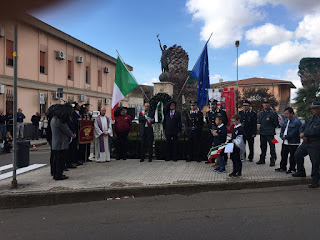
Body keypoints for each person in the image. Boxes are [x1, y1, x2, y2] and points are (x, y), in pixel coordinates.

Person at [292, 102, 320, 188]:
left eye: (315, 109)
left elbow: (317, 131)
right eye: (312, 109)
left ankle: (315, 180)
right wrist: (302, 132)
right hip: (306, 142)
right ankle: (301, 171)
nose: (313, 110)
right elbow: (302, 127)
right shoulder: (310, 118)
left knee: (315, 162)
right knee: (297, 155)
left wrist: (304, 134)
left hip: (315, 143)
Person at [50, 103, 75, 180]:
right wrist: (72, 135)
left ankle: (55, 173)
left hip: (56, 142)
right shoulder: (60, 121)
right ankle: (59, 174)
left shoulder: (53, 119)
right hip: (61, 143)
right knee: (60, 160)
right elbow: (66, 130)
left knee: (56, 159)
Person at [275, 107, 302, 174]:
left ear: (292, 113)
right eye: (285, 114)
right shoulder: (286, 120)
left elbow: (295, 132)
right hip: (285, 142)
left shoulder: (297, 121)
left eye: (287, 114)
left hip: (293, 142)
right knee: (283, 155)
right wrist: (281, 137)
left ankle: (292, 169)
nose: (286, 115)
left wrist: (285, 137)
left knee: (292, 157)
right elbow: (282, 129)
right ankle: (282, 167)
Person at [257, 100, 279, 166]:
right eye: (264, 103)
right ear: (262, 105)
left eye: (267, 103)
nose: (265, 105)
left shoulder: (273, 113)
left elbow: (276, 123)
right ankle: (262, 159)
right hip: (263, 132)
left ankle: (273, 160)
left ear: (269, 104)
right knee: (263, 147)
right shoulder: (260, 113)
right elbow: (259, 121)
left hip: (270, 133)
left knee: (272, 147)